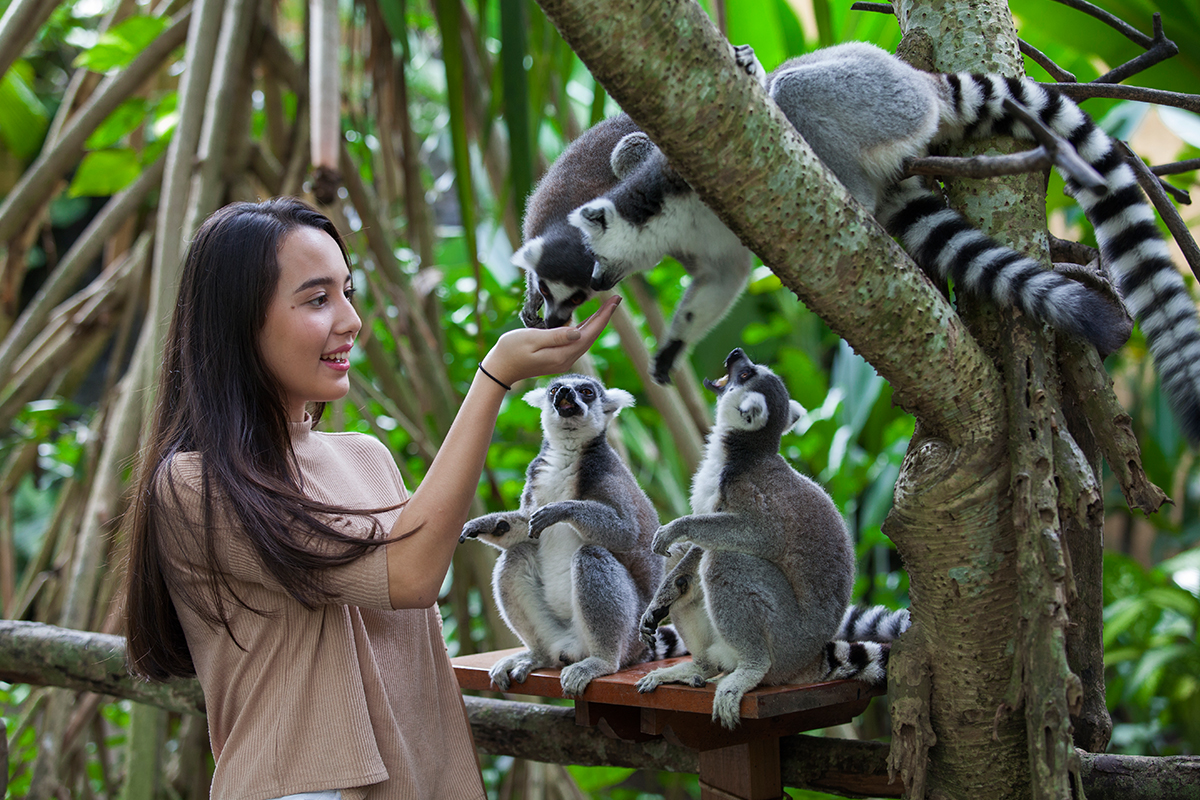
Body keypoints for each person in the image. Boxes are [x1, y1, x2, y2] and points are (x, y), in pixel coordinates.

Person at [120, 197, 620, 799]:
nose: (351, 319)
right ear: (238, 321)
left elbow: (412, 619)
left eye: (347, 292)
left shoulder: (365, 457)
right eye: (316, 299)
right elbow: (410, 574)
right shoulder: (195, 485)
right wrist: (493, 378)